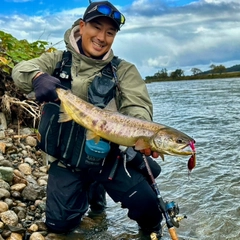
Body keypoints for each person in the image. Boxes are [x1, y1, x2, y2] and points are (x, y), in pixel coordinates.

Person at [12, 0, 163, 237]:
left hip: (108, 160)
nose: (102, 37)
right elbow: (20, 70)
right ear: (81, 27)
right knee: (59, 227)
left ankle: (103, 196)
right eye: (96, 27)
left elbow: (139, 106)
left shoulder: (123, 70)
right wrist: (37, 77)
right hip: (67, 161)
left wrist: (143, 132)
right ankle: (90, 194)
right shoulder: (57, 60)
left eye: (110, 32)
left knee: (150, 211)